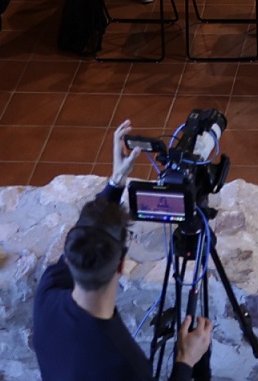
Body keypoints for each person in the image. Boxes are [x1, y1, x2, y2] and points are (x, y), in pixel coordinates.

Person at [31, 125, 212, 381]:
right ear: (121, 266)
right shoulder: (126, 364)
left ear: (70, 260)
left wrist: (116, 182)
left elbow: (88, 232)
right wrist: (185, 360)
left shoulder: (48, 292)